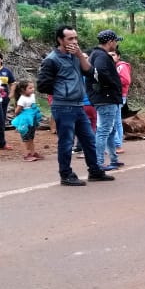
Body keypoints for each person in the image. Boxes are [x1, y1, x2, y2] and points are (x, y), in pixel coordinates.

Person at [36, 25, 115, 186]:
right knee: (66, 142)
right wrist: (63, 91)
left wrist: (79, 55)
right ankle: (65, 174)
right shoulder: (52, 59)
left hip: (78, 105)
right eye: (70, 38)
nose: (74, 41)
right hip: (63, 106)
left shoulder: (75, 56)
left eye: (75, 38)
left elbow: (89, 71)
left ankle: (94, 171)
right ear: (60, 40)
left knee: (89, 139)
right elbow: (42, 85)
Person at [88, 30, 125, 172]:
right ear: (110, 42)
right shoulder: (101, 56)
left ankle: (113, 159)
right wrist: (112, 85)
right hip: (106, 98)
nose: (116, 44)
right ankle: (98, 162)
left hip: (106, 98)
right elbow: (101, 72)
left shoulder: (97, 55)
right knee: (104, 130)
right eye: (115, 41)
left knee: (110, 129)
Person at [11, 80, 43, 162]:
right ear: (23, 90)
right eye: (30, 88)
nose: (32, 89)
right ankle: (27, 154)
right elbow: (17, 111)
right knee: (26, 137)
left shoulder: (32, 96)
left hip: (32, 119)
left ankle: (33, 152)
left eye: (33, 87)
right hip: (25, 120)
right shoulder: (22, 99)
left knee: (31, 136)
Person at [110, 48, 132, 154]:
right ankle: (118, 144)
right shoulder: (115, 66)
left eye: (114, 55)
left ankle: (117, 145)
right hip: (118, 95)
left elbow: (126, 80)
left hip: (119, 95)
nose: (112, 57)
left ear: (118, 56)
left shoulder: (121, 66)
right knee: (117, 121)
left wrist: (112, 81)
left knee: (114, 121)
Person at [0, 51, 15, 117]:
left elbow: (12, 83)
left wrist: (10, 96)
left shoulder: (6, 71)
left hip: (3, 97)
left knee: (2, 115)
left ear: (1, 59)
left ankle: (1, 127)